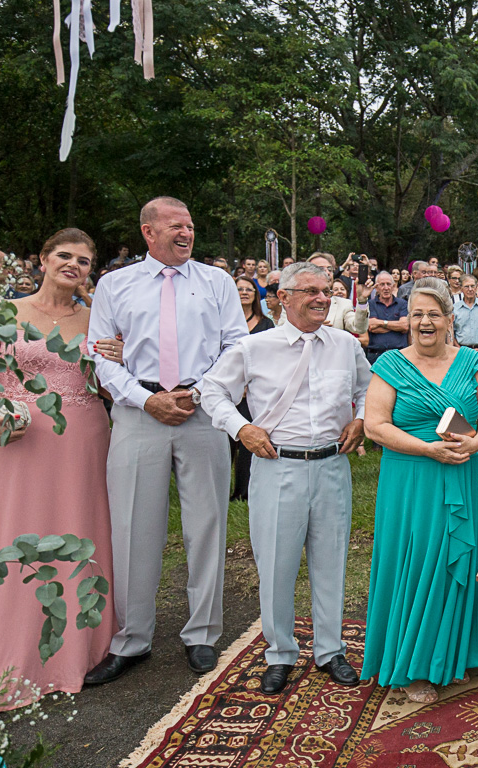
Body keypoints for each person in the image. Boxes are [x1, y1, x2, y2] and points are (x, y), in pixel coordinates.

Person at [84, 197, 247, 684]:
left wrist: (200, 392)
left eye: (191, 226)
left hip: (202, 411)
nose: (186, 233)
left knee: (208, 524)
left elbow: (237, 345)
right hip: (139, 415)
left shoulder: (216, 282)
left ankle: (202, 633)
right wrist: (142, 398)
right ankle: (132, 639)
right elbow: (102, 354)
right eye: (175, 225)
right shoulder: (115, 285)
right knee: (133, 527)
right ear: (147, 231)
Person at [199, 262, 371, 694]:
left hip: (332, 466)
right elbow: (210, 391)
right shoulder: (255, 347)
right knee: (276, 564)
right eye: (310, 291)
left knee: (331, 561)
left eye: (326, 290)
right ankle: (279, 652)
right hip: (278, 467)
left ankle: (330, 650)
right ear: (284, 297)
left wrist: (363, 419)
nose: (321, 298)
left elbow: (368, 389)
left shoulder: (345, 345)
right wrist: (241, 429)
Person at [360, 278, 478, 703]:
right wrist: (428, 449)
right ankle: (415, 665)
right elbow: (375, 426)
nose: (425, 322)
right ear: (409, 320)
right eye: (418, 314)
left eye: (434, 314)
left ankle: (463, 652)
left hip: (459, 474)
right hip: (411, 480)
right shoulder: (389, 364)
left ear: (449, 319)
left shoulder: (472, 363)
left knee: (459, 562)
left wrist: (477, 443)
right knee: (419, 563)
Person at [0, 230, 116, 709]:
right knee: (14, 531)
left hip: (83, 439)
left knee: (79, 527)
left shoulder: (98, 320)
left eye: (84, 261)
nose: (74, 265)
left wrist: (119, 359)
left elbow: (112, 383)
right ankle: (11, 649)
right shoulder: (5, 314)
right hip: (16, 440)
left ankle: (82, 648)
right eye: (65, 255)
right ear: (42, 259)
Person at [227, 277, 275, 502]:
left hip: (253, 390)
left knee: (247, 439)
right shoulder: (224, 322)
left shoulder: (266, 325)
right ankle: (221, 488)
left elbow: (270, 359)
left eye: (249, 289)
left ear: (256, 295)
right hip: (227, 389)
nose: (244, 293)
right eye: (240, 289)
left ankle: (243, 490)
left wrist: (248, 384)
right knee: (225, 442)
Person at [295, 252, 370, 334]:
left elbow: (359, 328)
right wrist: (310, 327)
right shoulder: (294, 302)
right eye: (321, 269)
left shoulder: (343, 304)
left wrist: (362, 301)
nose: (327, 272)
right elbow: (282, 330)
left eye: (330, 269)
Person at [366, 271, 408, 365]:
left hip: (399, 355)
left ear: (393, 286)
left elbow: (404, 326)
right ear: (376, 287)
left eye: (388, 284)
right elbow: (372, 327)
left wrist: (380, 323)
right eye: (382, 284)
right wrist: (396, 326)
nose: (386, 288)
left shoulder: (402, 303)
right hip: (376, 355)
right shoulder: (370, 304)